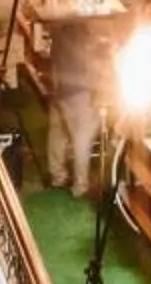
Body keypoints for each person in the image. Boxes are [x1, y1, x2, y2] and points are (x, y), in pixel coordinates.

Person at [45, 15, 106, 195]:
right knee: (82, 140)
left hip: (60, 91)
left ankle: (57, 176)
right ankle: (80, 185)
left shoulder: (58, 35)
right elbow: (94, 67)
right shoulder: (85, 39)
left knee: (57, 133)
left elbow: (53, 64)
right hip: (80, 93)